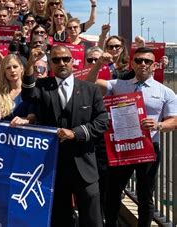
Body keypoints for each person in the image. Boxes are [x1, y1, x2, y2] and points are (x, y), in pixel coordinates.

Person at [89, 47, 177, 227]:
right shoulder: (119, 85)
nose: (143, 64)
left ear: (154, 66)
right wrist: (98, 64)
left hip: (149, 148)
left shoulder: (165, 92)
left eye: (147, 61)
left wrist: (159, 125)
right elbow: (89, 85)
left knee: (146, 197)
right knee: (112, 193)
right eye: (138, 61)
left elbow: (174, 121)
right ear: (132, 64)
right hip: (123, 148)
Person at [22, 45, 108, 227]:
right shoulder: (43, 86)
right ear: (50, 64)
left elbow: (102, 122)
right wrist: (30, 64)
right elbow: (28, 94)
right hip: (54, 165)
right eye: (56, 60)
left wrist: (75, 133)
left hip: (84, 164)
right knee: (59, 217)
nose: (62, 63)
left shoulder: (90, 89)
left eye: (65, 59)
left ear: (72, 61)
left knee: (92, 217)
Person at [0, 54, 37, 125]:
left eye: (15, 67)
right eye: (8, 68)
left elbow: (33, 118)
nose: (12, 70)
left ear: (21, 68)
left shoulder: (29, 90)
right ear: (4, 72)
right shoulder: (0, 92)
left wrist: (24, 121)